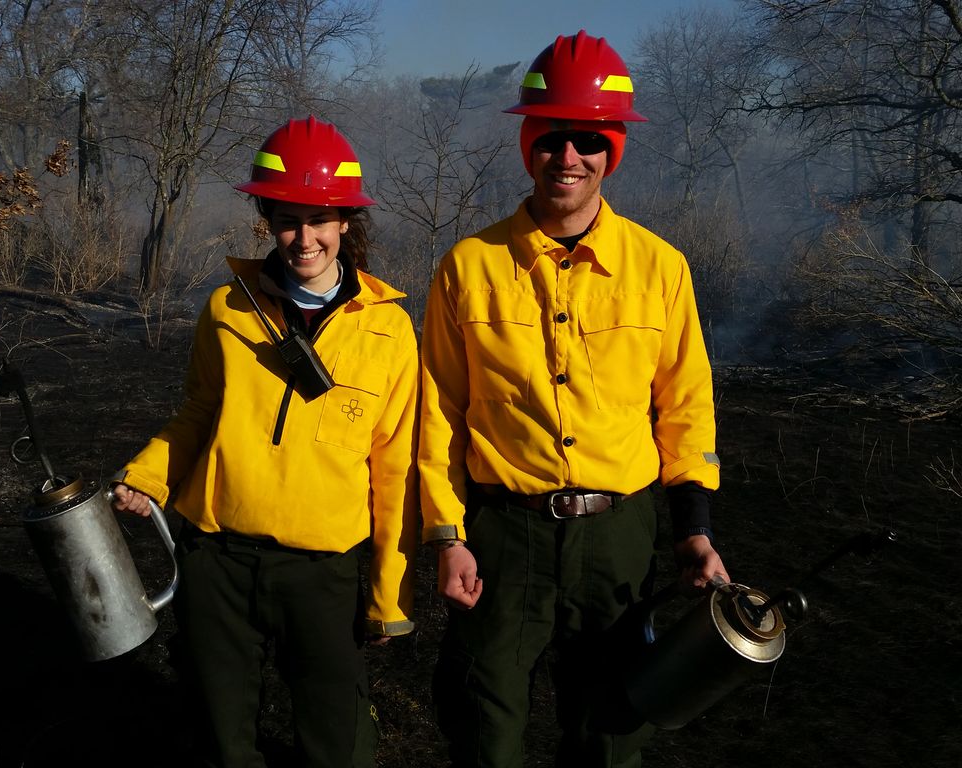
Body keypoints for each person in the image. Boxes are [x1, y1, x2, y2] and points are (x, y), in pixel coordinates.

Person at [418, 30, 728, 768]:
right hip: (503, 534)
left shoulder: (660, 268)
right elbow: (437, 415)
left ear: (611, 149)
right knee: (483, 724)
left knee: (613, 729)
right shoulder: (469, 267)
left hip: (618, 537)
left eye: (588, 140)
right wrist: (446, 534)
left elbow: (686, 405)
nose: (568, 157)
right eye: (552, 136)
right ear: (529, 141)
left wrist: (693, 526)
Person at [111, 116, 418, 768]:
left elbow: (394, 468)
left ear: (345, 223)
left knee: (337, 744)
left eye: (318, 219)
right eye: (285, 218)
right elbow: (198, 412)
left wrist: (388, 594)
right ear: (266, 218)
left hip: (324, 574)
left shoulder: (390, 330)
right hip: (217, 559)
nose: (303, 238)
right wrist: (148, 475)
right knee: (220, 739)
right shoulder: (228, 308)